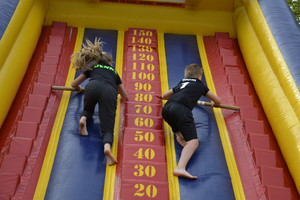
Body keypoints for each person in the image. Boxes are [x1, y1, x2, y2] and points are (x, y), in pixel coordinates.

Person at [71, 38, 127, 166]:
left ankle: (83, 120)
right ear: (110, 62)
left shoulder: (93, 68)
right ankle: (107, 148)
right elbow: (124, 95)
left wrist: (79, 89)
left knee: (88, 109)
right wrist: (116, 91)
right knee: (108, 127)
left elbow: (74, 84)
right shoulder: (114, 72)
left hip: (92, 86)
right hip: (109, 91)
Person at [161, 63, 221, 179]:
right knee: (194, 142)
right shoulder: (200, 85)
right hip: (181, 110)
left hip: (167, 109)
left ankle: (179, 135)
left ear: (186, 75)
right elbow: (218, 100)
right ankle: (180, 168)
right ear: (199, 76)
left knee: (178, 126)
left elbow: (164, 95)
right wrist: (214, 104)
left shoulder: (182, 83)